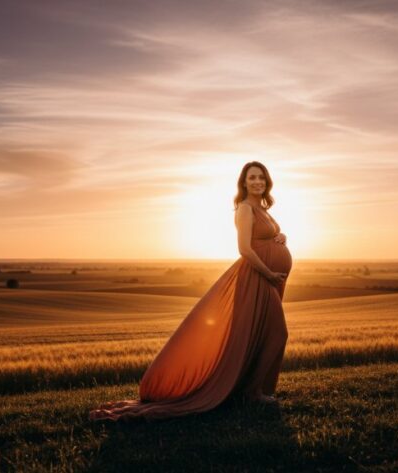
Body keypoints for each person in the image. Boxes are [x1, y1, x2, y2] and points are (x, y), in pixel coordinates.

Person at [88, 161, 292, 421]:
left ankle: (253, 390)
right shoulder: (244, 209)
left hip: (267, 278)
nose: (257, 182)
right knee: (277, 333)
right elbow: (244, 249)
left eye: (261, 178)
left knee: (264, 335)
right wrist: (270, 273)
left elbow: (265, 236)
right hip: (257, 278)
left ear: (267, 181)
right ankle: (252, 391)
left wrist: (281, 235)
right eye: (252, 178)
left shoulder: (262, 208)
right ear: (244, 182)